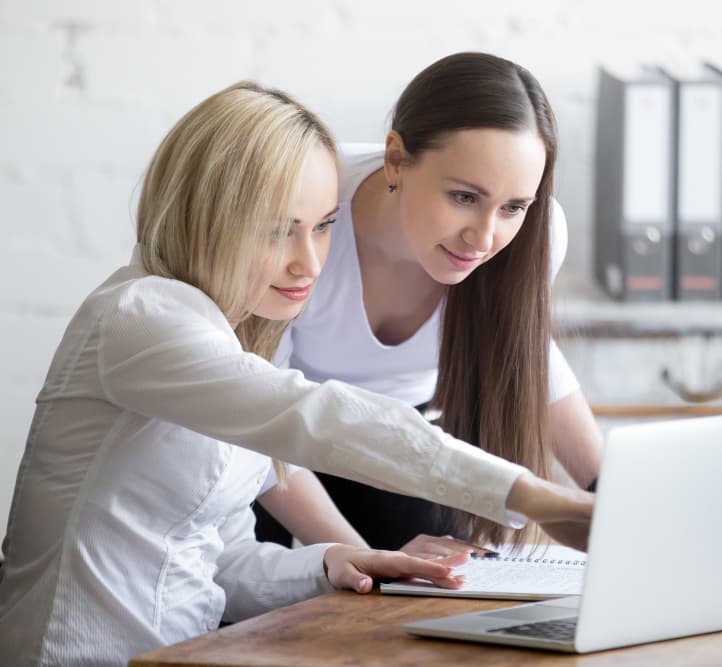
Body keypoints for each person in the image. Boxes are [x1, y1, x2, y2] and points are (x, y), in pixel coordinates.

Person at [0, 81, 591, 667]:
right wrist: (533, 496)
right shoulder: (141, 318)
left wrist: (335, 559)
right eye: (278, 228)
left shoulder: (231, 337)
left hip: (181, 654)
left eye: (324, 225)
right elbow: (316, 419)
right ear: (205, 214)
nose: (309, 262)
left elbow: (218, 557)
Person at [252, 52, 604, 553]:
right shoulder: (308, 217)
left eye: (512, 207)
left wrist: (608, 494)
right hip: (276, 441)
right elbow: (258, 409)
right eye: (464, 197)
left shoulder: (536, 236)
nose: (483, 238)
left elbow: (526, 351)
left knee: (432, 603)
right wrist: (368, 563)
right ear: (396, 159)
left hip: (405, 439)